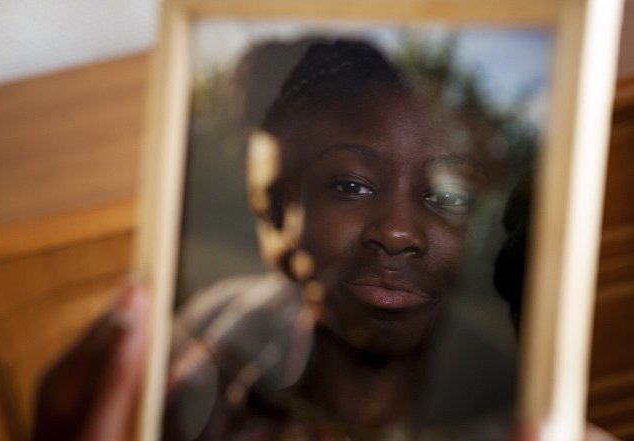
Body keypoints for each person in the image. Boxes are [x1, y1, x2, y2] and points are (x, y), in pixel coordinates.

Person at [32, 39, 613, 441]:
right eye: (352, 187)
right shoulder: (218, 327)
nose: (400, 233)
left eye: (447, 196)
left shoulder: (507, 409)